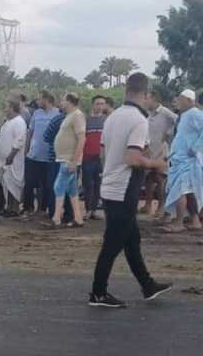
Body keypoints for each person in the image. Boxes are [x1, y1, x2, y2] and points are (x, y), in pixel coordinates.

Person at [90, 72, 172, 308]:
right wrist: (158, 163)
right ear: (145, 95)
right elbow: (133, 158)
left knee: (131, 239)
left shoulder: (113, 117)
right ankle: (98, 293)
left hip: (110, 185)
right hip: (123, 189)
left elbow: (106, 151)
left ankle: (147, 285)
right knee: (113, 243)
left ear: (126, 90)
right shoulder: (139, 120)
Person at [162, 90, 203, 233]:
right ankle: (195, 221)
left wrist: (196, 147)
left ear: (189, 100)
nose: (177, 101)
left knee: (180, 191)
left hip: (188, 161)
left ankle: (179, 222)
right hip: (179, 158)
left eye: (180, 98)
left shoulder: (195, 114)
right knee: (188, 192)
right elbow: (181, 138)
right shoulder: (184, 116)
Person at [49, 93, 86, 227]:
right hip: (65, 159)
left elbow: (82, 138)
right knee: (72, 190)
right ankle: (78, 218)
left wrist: (74, 161)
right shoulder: (70, 116)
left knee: (58, 186)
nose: (61, 102)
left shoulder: (77, 115)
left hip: (68, 159)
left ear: (69, 101)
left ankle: (56, 218)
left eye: (62, 100)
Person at [140, 92, 177, 218]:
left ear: (154, 99)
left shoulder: (165, 112)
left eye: (147, 98)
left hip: (161, 150)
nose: (145, 101)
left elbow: (177, 120)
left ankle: (161, 207)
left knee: (160, 179)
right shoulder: (147, 114)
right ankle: (148, 205)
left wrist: (168, 133)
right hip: (149, 150)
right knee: (148, 179)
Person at [23, 91, 59, 215]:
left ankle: (43, 209)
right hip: (34, 155)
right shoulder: (37, 113)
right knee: (30, 183)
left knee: (47, 185)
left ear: (46, 99)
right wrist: (26, 149)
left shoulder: (57, 113)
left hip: (49, 157)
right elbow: (30, 132)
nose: (37, 102)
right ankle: (29, 208)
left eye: (39, 99)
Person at [0, 100, 27, 217]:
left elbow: (19, 141)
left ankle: (14, 209)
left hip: (13, 160)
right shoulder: (8, 122)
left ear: (12, 108)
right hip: (5, 161)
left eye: (6, 107)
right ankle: (8, 208)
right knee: (7, 184)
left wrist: (11, 155)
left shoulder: (19, 122)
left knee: (14, 184)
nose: (4, 110)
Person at [82, 96, 107, 221]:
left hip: (101, 158)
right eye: (97, 103)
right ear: (93, 105)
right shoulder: (86, 120)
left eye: (102, 104)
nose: (100, 106)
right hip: (87, 157)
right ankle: (87, 209)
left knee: (98, 184)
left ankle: (94, 210)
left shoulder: (107, 120)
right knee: (88, 184)